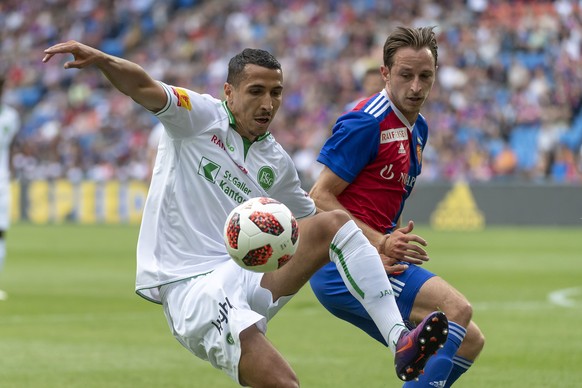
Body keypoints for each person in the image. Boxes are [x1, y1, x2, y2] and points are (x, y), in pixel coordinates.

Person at [42, 40, 448, 387]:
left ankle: (400, 341)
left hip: (243, 275)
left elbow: (316, 225)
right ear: (229, 92)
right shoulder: (197, 117)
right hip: (191, 287)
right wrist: (102, 60)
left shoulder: (277, 161)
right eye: (256, 91)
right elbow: (143, 86)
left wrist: (371, 250)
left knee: (333, 225)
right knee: (284, 383)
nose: (267, 103)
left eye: (276, 92)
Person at [309, 26, 485, 388]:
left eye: (426, 76)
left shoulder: (417, 128)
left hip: (374, 256)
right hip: (340, 262)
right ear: (385, 74)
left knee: (467, 340)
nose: (417, 87)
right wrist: (378, 243)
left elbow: (388, 202)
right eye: (406, 75)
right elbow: (319, 197)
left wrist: (392, 241)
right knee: (457, 311)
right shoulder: (366, 121)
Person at [0, 73, 21, 301]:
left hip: (1, 180)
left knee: (1, 231)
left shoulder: (11, 117)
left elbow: (13, 145)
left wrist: (11, 168)